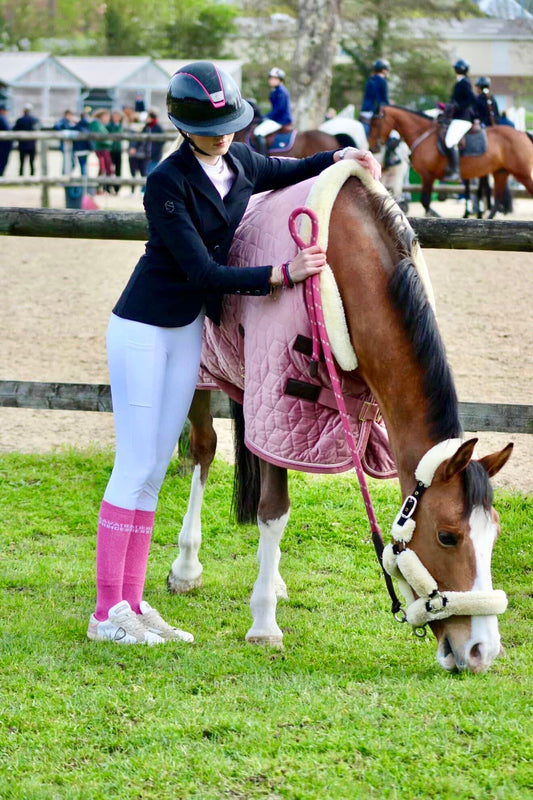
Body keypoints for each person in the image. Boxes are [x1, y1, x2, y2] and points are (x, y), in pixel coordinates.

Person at [87, 60, 381, 646]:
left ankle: (134, 602)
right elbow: (202, 270)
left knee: (152, 480)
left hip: (185, 333)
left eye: (230, 121)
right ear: (182, 125)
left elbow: (290, 166)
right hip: (143, 327)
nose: (223, 133)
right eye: (210, 124)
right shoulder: (166, 183)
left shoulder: (240, 160)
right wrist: (281, 273)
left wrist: (342, 158)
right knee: (135, 466)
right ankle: (105, 613)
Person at [444, 58, 476, 180]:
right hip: (456, 117)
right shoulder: (460, 82)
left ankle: (456, 171)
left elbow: (471, 99)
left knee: (450, 141)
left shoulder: (464, 83)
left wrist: (459, 107)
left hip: (463, 118)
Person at [253, 67, 293, 156]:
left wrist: (265, 117)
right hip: (277, 119)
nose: (271, 80)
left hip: (281, 120)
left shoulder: (281, 92)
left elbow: (279, 109)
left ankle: (262, 157)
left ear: (281, 80)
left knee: (258, 132)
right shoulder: (275, 91)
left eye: (275, 78)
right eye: (271, 78)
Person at [360, 59, 390, 135]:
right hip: (374, 112)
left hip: (364, 112)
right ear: (383, 70)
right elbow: (385, 100)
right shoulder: (383, 81)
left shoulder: (370, 80)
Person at [90, 108, 114, 193]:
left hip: (104, 148)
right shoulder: (96, 124)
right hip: (101, 148)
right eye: (106, 117)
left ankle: (102, 187)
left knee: (105, 168)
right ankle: (103, 187)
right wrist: (110, 142)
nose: (107, 119)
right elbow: (101, 137)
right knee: (104, 168)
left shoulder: (100, 124)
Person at [13, 104, 39, 176]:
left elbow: (14, 130)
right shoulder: (35, 120)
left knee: (21, 163)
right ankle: (32, 176)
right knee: (32, 162)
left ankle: (21, 176)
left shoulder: (20, 120)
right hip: (32, 145)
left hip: (22, 145)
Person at [142, 109, 164, 176]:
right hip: (147, 155)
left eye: (148, 117)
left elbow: (163, 139)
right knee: (146, 173)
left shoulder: (158, 127)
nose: (146, 119)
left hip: (155, 155)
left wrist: (157, 148)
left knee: (150, 173)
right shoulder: (146, 127)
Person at [107, 109, 124, 194]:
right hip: (111, 149)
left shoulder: (121, 125)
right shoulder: (110, 126)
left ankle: (117, 188)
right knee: (109, 168)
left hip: (118, 149)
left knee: (118, 168)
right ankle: (107, 187)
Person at [73, 107, 92, 176]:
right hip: (85, 148)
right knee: (84, 165)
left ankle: (84, 180)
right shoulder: (87, 125)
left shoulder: (78, 125)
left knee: (83, 165)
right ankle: (85, 180)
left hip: (79, 149)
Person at [0, 105, 13, 177]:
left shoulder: (3, 118)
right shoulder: (2, 118)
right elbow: (8, 129)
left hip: (4, 144)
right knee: (2, 160)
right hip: (3, 144)